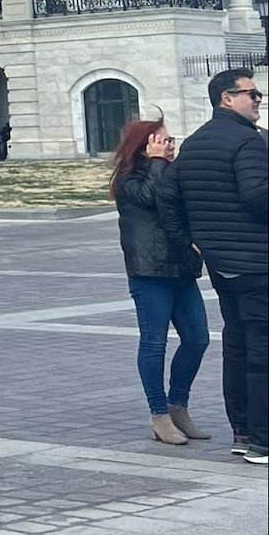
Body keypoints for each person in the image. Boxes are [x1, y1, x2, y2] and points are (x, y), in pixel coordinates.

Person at [175, 69, 268, 465]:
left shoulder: (194, 144)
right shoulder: (247, 140)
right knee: (262, 348)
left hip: (222, 263)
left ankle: (243, 431)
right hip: (257, 261)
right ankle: (263, 441)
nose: (258, 99)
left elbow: (174, 200)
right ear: (226, 99)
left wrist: (199, 241)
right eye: (251, 94)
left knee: (237, 343)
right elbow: (257, 196)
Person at [109, 117, 209, 448]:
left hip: (182, 269)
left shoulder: (170, 172)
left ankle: (177, 405)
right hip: (149, 273)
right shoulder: (129, 180)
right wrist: (155, 163)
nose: (169, 145)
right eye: (162, 140)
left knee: (198, 340)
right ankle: (158, 415)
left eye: (170, 139)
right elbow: (152, 198)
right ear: (144, 146)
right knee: (154, 343)